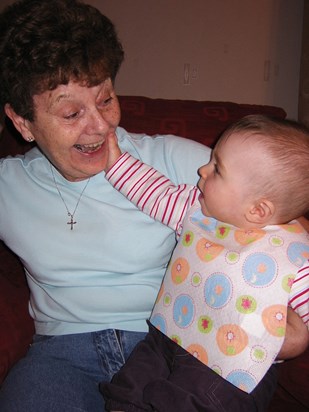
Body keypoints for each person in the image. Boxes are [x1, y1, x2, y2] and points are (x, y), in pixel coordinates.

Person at [0, 0, 306, 411]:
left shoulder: (179, 162)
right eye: (71, 112)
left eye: (106, 99)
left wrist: (290, 328)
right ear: (22, 122)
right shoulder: (8, 186)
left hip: (178, 349)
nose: (100, 126)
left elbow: (278, 218)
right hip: (62, 357)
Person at [100, 115, 309, 412]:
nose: (202, 169)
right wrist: (117, 163)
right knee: (129, 386)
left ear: (258, 209)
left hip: (229, 369)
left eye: (216, 168)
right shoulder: (194, 211)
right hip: (167, 338)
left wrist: (289, 341)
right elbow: (156, 193)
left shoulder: (296, 258)